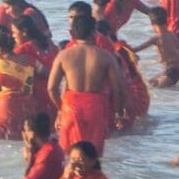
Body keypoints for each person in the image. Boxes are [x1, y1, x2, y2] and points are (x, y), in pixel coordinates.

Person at [47, 14, 125, 154]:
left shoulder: (63, 55)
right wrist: (118, 113)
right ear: (93, 32)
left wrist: (61, 108)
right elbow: (118, 88)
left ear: (73, 33)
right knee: (93, 154)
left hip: (70, 106)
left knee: (68, 153)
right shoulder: (105, 56)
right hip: (96, 106)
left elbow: (51, 88)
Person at [128, 6, 179, 87]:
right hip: (178, 70)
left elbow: (137, 49)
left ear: (152, 23)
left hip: (172, 71)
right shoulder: (172, 35)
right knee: (151, 83)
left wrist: (123, 48)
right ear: (166, 20)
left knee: (160, 89)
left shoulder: (156, 38)